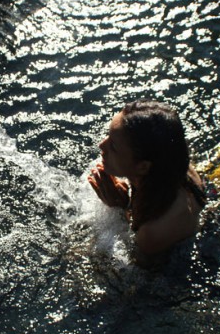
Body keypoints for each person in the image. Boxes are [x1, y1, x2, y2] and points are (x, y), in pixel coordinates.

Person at [88, 100, 206, 255]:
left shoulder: (152, 232)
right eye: (108, 136)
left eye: (114, 146)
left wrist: (121, 208)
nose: (102, 146)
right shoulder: (174, 166)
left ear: (143, 166)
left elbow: (138, 274)